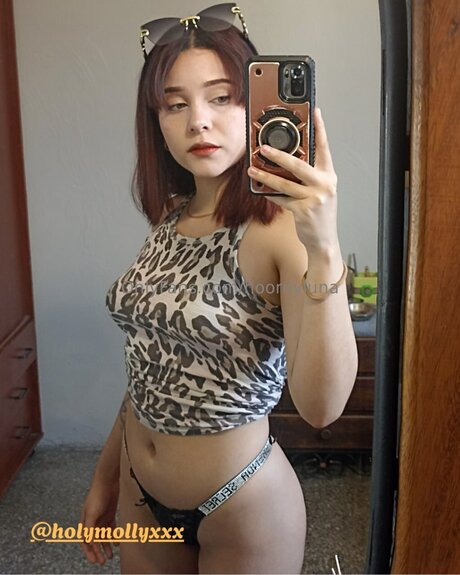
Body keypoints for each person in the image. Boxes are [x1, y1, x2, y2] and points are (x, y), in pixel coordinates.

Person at [80, 4, 358, 573]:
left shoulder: (281, 232)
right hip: (139, 490)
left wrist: (325, 248)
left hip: (241, 503)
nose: (198, 122)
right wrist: (105, 478)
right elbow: (148, 366)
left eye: (222, 97)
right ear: (156, 121)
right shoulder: (171, 217)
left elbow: (321, 408)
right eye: (175, 104)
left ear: (255, 105)